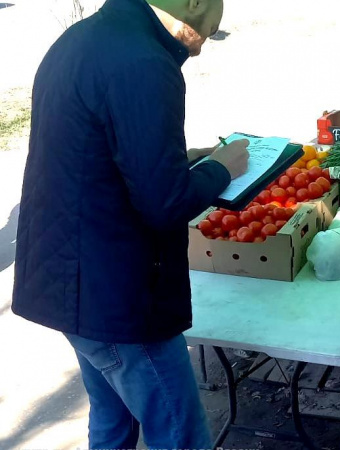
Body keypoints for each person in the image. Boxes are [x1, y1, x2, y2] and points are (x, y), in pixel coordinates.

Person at [12, 0, 249, 448]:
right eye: (205, 33)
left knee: (113, 419)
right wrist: (221, 169)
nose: (199, 50)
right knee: (180, 434)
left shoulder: (79, 40)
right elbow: (164, 203)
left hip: (71, 283)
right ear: (190, 6)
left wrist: (181, 162)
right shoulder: (144, 62)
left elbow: (96, 155)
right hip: (117, 295)